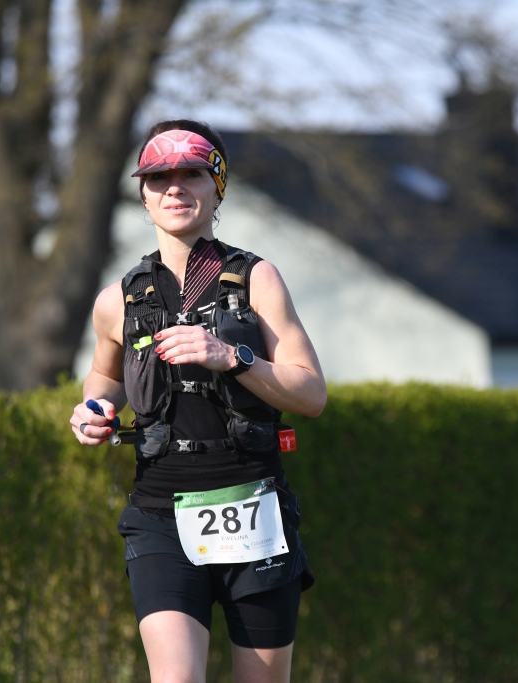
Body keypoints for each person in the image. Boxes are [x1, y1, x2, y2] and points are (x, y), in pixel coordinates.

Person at [70, 119, 326, 683]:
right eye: (158, 178)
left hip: (254, 510)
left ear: (217, 186)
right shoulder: (117, 300)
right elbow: (103, 378)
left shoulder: (257, 279)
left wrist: (232, 356)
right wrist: (93, 411)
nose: (175, 189)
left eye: (191, 174)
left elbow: (311, 393)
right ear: (143, 195)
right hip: (160, 516)